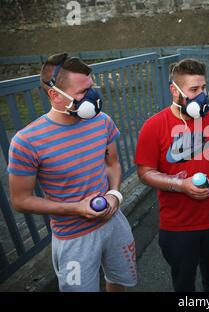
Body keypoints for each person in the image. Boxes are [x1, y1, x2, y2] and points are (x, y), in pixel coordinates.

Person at [7, 53, 137, 292]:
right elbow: (20, 200)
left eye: (91, 88)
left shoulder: (102, 121)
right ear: (55, 95)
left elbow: (113, 164)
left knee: (119, 282)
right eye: (81, 93)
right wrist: (75, 208)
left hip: (114, 222)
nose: (92, 99)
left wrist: (114, 196)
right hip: (73, 239)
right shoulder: (26, 142)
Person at [135, 58, 209, 292]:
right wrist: (179, 184)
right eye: (194, 90)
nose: (202, 95)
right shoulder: (154, 126)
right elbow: (144, 173)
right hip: (179, 226)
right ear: (175, 90)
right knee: (184, 285)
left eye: (203, 88)